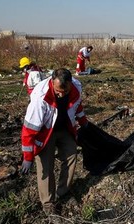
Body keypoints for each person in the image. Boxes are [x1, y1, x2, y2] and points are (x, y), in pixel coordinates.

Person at [20, 68, 88, 215]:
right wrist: (27, 157)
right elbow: (28, 130)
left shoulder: (76, 88)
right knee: (46, 165)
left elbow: (77, 106)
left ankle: (63, 192)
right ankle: (48, 202)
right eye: (58, 91)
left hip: (64, 128)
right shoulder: (40, 97)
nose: (61, 94)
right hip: (45, 132)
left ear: (70, 83)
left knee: (71, 156)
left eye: (65, 91)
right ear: (52, 82)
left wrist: (83, 121)